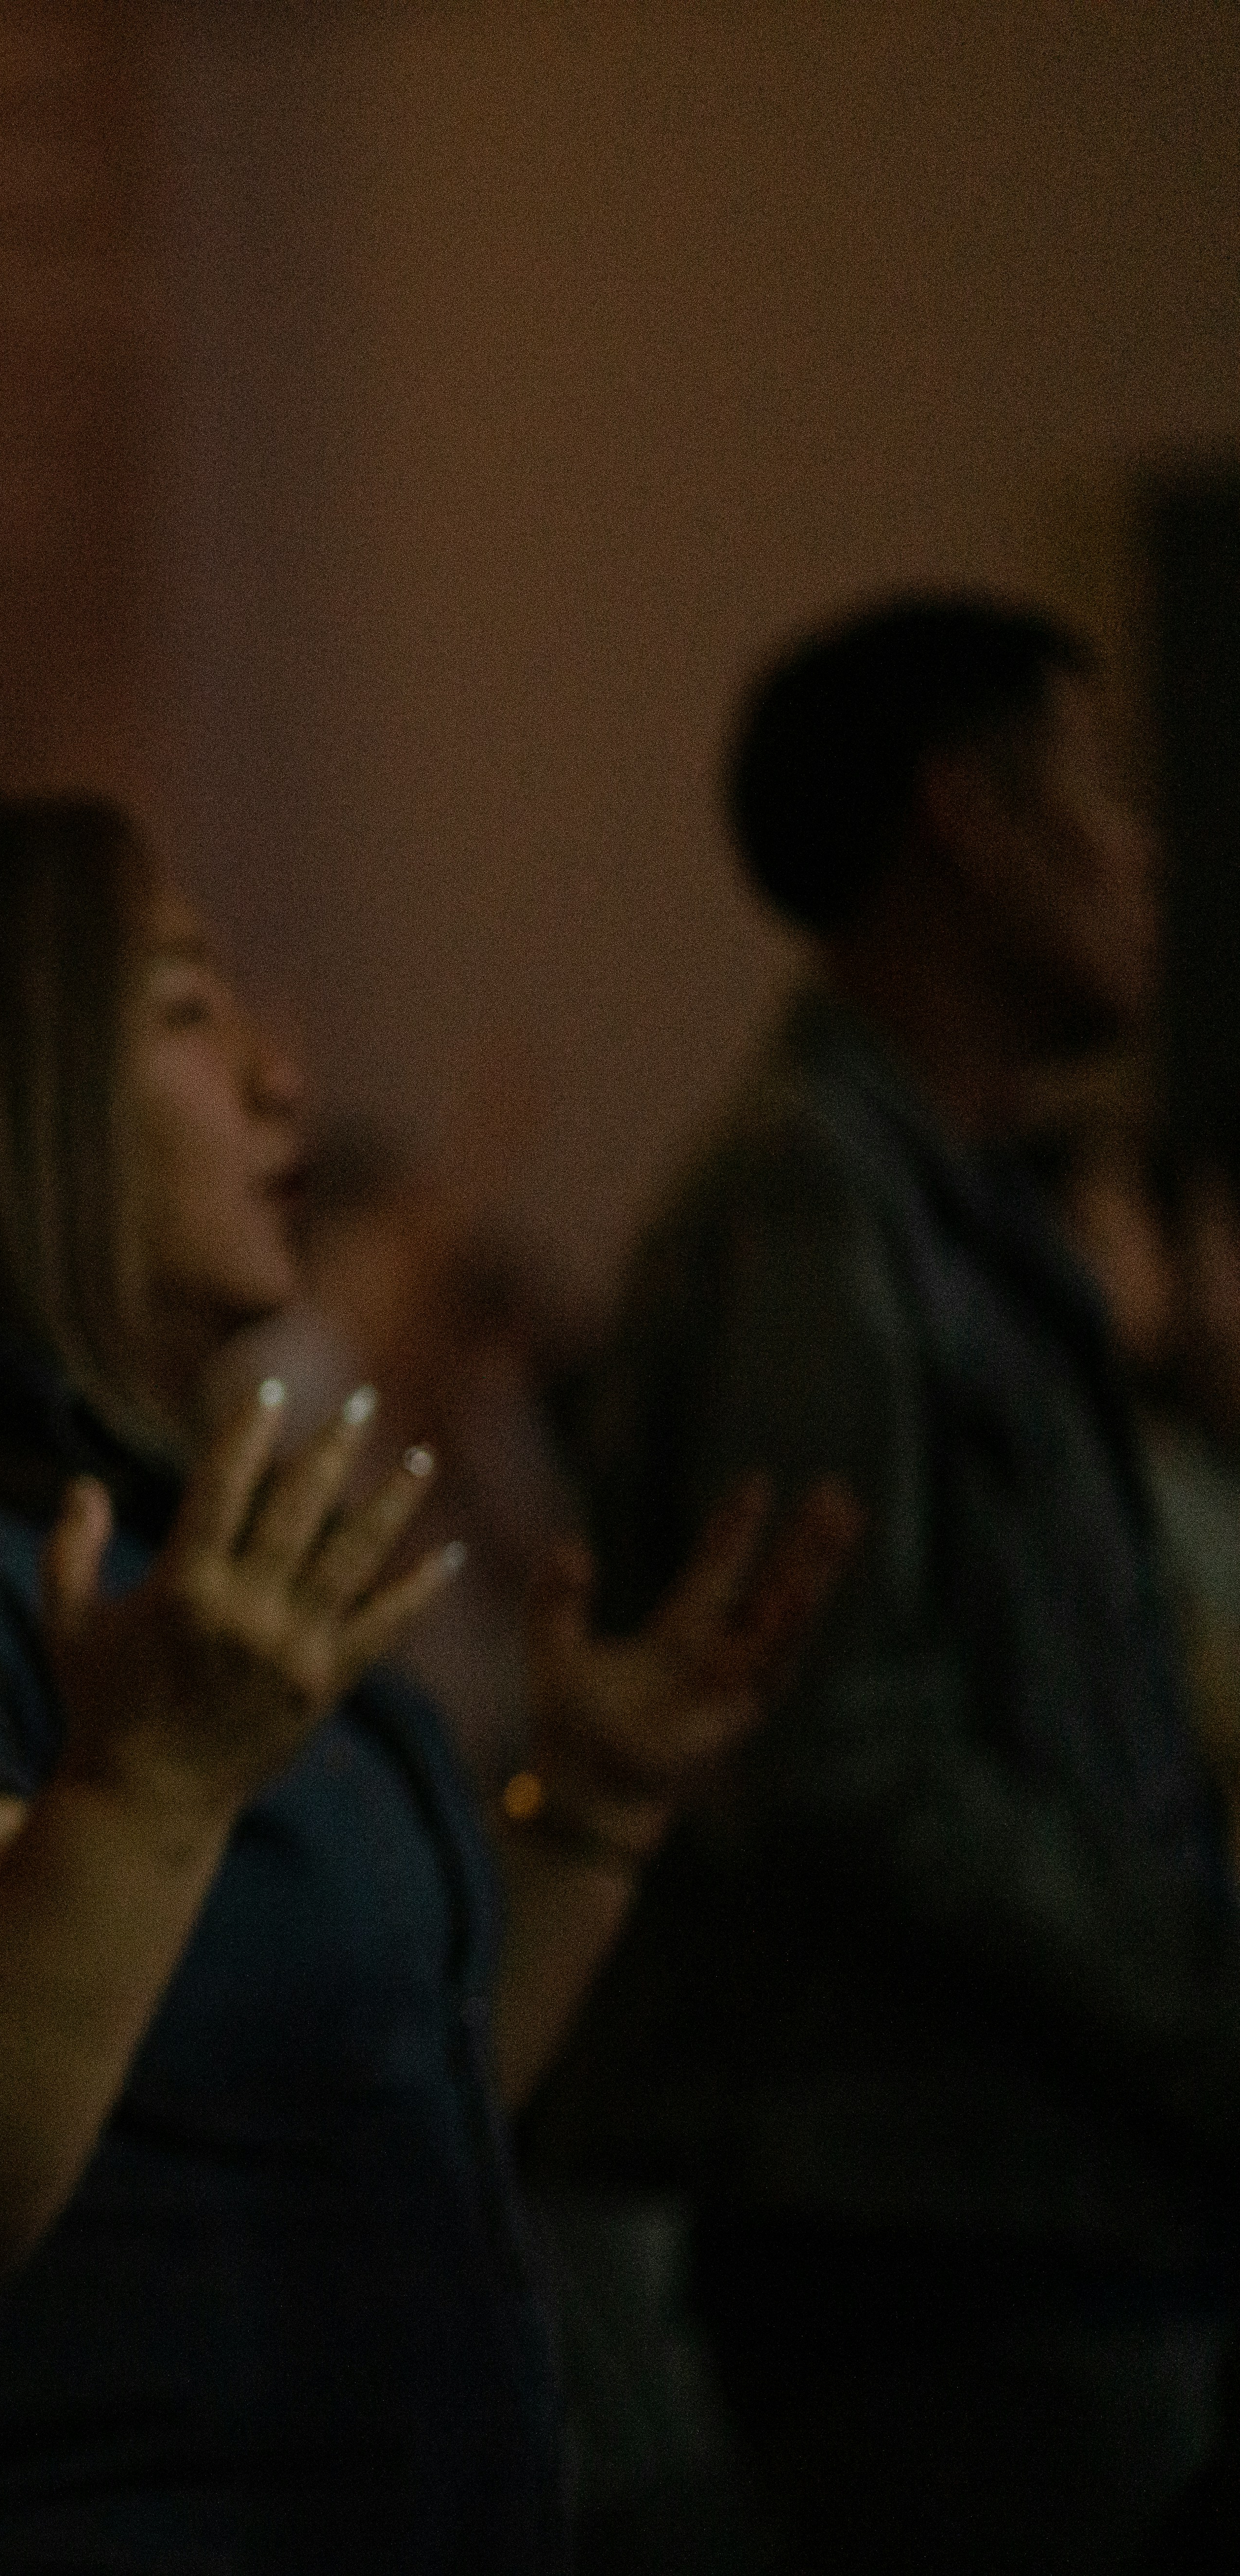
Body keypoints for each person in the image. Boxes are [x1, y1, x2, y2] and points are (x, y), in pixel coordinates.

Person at [0, 791, 852, 2574]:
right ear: (14, 1089)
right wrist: (141, 1802)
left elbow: (378, 2101)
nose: (282, 1080)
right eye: (187, 1010)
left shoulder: (155, 1522)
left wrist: (589, 1809)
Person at [547, 593, 1240, 2574]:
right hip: (947, 2239)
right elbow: (831, 1745)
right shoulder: (814, 1203)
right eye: (1092, 789)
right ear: (966, 819)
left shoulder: (928, 1197)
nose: (1145, 849)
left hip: (1039, 2208)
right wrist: (1199, 2004)